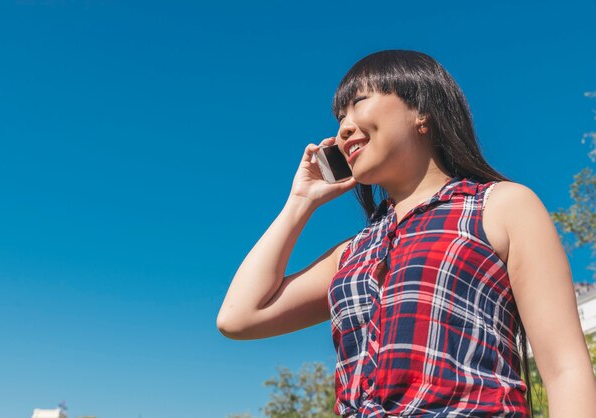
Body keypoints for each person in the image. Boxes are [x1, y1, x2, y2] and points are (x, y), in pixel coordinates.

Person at [216, 50, 596, 417]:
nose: (344, 126)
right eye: (339, 116)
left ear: (422, 112)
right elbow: (239, 316)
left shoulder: (502, 206)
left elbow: (565, 369)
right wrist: (301, 201)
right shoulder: (351, 254)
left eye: (359, 102)